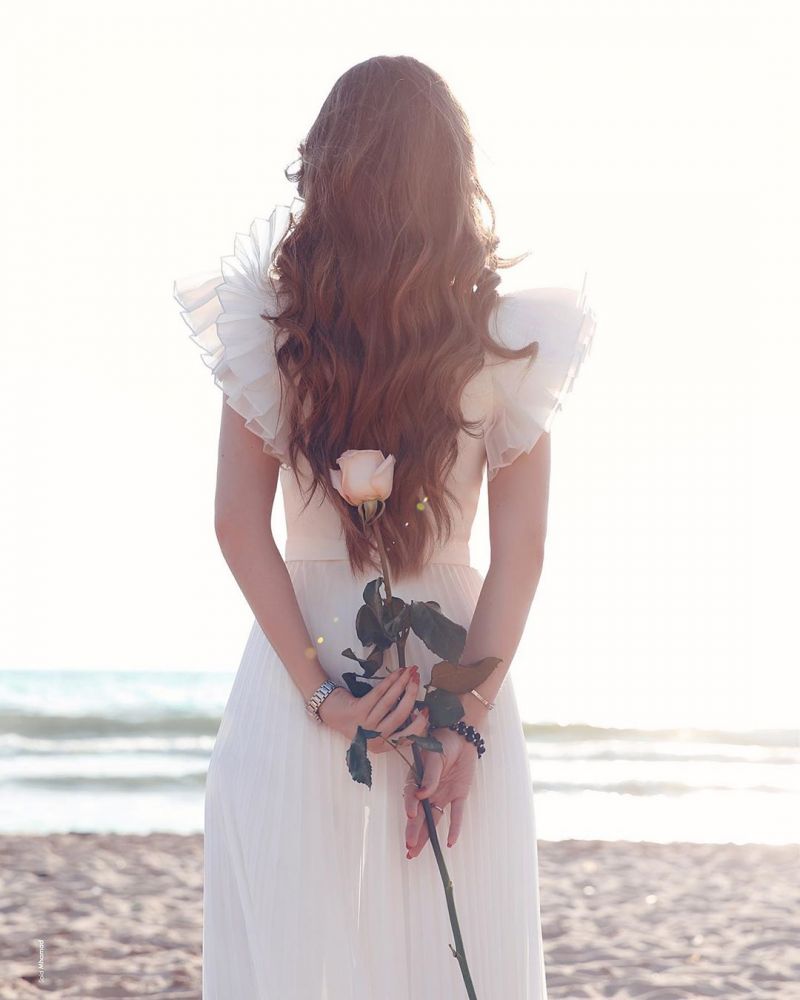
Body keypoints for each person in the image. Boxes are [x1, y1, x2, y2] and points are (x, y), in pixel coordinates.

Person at [173, 54, 596, 1000]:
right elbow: (521, 555)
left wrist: (325, 697)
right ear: (455, 180)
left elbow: (239, 526)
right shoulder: (508, 344)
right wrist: (464, 729)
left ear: (326, 174)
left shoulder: (277, 332)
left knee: (293, 968)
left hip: (297, 682)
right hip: (455, 676)